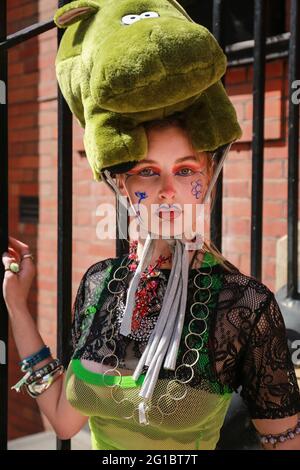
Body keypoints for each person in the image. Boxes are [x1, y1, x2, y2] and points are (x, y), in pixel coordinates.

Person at [2, 114, 300, 450]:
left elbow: (284, 442)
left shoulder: (245, 303)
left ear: (208, 180)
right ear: (122, 186)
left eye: (185, 170)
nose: (168, 191)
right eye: (148, 171)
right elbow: (63, 422)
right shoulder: (100, 283)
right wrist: (16, 304)